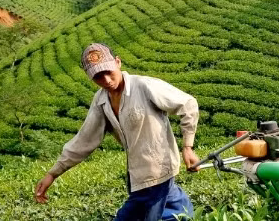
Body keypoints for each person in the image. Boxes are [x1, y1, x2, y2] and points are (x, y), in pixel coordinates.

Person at [34, 43, 200, 220]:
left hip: (157, 174)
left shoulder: (144, 86)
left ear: (118, 62)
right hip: (136, 177)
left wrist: (187, 147)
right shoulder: (101, 101)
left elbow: (188, 104)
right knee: (176, 208)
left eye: (108, 71)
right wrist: (53, 174)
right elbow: (84, 140)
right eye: (98, 76)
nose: (106, 80)